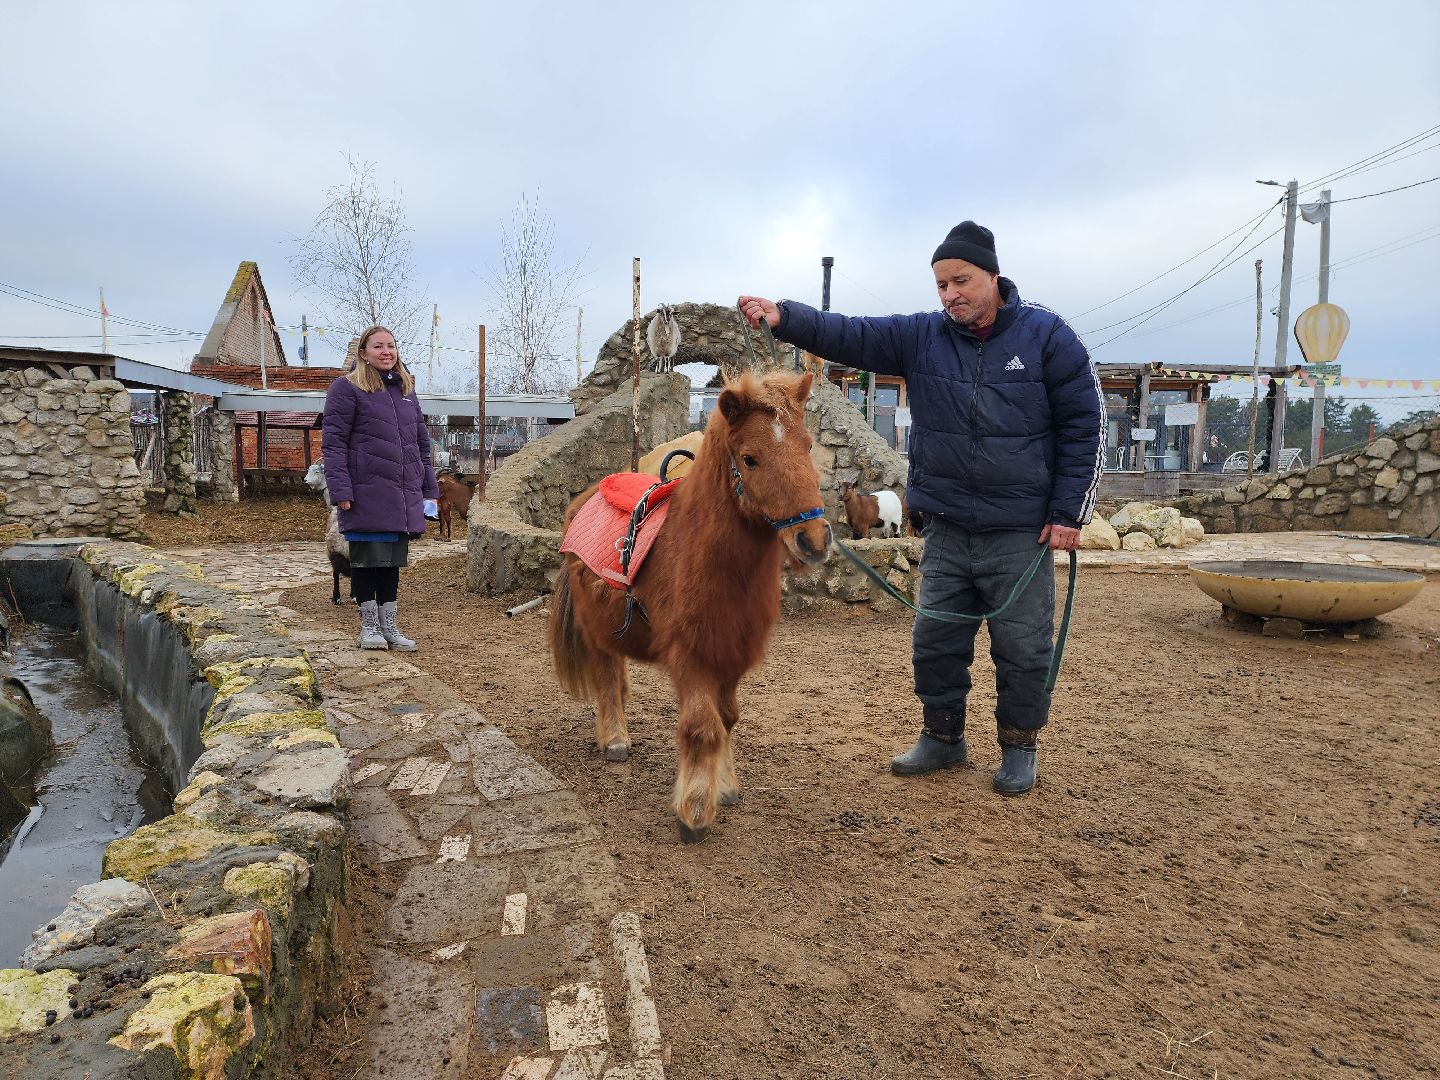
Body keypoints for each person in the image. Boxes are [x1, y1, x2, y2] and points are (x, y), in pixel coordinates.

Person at [739, 221, 1104, 796]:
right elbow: (850, 334)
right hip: (948, 526)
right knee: (935, 640)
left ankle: (1018, 746)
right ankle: (943, 737)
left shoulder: (1048, 337)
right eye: (940, 285)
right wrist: (786, 316)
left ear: (992, 275)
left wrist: (1070, 511)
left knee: (1023, 645)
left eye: (961, 280)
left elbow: (1086, 425)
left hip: (1022, 533)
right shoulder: (922, 338)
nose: (950, 294)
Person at [322, 325, 440, 651]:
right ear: (364, 353)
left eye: (391, 346)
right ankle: (368, 628)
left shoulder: (406, 391)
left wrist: (429, 490)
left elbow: (421, 445)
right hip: (364, 492)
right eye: (378, 346)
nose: (386, 352)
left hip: (401, 495)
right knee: (365, 562)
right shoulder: (346, 389)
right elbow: (333, 444)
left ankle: (390, 629)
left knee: (390, 563)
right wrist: (341, 491)